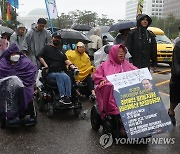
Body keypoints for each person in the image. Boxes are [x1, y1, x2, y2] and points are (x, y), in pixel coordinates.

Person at [93, 44, 137, 119]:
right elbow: (97, 75)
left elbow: (138, 72)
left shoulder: (127, 64)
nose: (121, 53)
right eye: (118, 52)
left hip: (126, 92)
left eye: (122, 52)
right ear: (113, 53)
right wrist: (102, 80)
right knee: (108, 86)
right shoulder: (104, 65)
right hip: (111, 91)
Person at [0, 43, 37, 124]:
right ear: (9, 54)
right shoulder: (3, 63)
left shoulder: (25, 62)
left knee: (28, 93)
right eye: (13, 53)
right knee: (10, 93)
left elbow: (32, 70)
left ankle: (30, 114)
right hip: (8, 87)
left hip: (24, 85)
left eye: (17, 53)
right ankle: (11, 116)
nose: (15, 55)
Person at [37, 32, 77, 103]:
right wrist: (45, 65)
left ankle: (68, 96)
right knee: (59, 76)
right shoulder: (46, 48)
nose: (57, 40)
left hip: (60, 71)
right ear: (52, 38)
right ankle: (62, 97)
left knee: (67, 77)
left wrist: (73, 67)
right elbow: (40, 56)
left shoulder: (60, 51)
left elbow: (66, 60)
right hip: (50, 73)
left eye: (59, 39)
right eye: (56, 38)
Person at [168, 38, 180, 126]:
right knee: (175, 99)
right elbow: (176, 63)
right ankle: (171, 111)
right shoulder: (178, 45)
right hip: (178, 77)